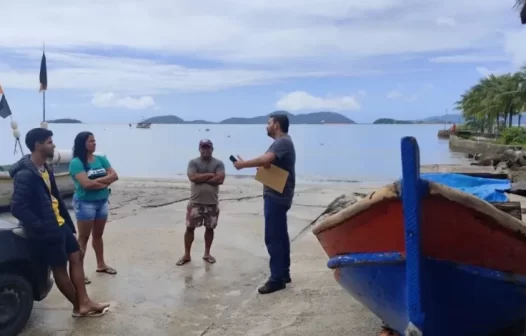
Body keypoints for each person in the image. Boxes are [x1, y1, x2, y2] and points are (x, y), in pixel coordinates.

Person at [10, 128, 110, 317]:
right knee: (59, 268)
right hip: (47, 228)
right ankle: (79, 305)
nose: (53, 144)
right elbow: (18, 207)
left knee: (76, 257)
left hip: (59, 223)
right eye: (49, 142)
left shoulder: (45, 168)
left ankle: (84, 302)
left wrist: (68, 225)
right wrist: (40, 227)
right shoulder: (25, 174)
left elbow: (55, 198)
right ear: (37, 145)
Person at [233, 114, 296, 294]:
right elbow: (270, 161)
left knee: (273, 237)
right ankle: (284, 273)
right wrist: (266, 166)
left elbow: (266, 158)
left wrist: (243, 164)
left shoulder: (282, 142)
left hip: (276, 195)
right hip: (280, 193)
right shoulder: (283, 142)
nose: (266, 126)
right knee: (281, 235)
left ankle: (276, 279)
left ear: (276, 124)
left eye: (268, 123)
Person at [70, 132, 118, 284]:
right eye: (91, 141)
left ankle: (101, 264)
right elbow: (86, 184)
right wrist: (105, 182)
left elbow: (115, 175)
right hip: (85, 203)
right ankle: (78, 271)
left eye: (95, 141)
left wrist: (98, 181)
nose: (94, 143)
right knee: (83, 238)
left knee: (98, 235)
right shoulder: (76, 162)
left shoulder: (101, 158)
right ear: (83, 143)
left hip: (102, 201)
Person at [176, 139, 225, 266]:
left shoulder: (219, 163)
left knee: (210, 228)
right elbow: (192, 177)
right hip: (195, 202)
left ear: (212, 149)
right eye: (203, 147)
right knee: (189, 228)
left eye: (208, 147)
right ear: (199, 149)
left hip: (212, 203)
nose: (205, 150)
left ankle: (207, 253)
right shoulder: (193, 162)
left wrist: (201, 178)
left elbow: (220, 179)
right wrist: (210, 174)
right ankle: (187, 255)